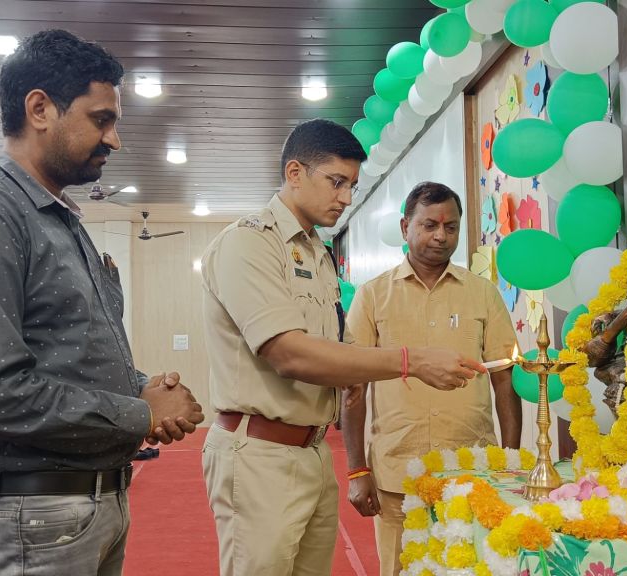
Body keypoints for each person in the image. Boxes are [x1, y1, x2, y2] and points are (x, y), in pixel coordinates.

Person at [0, 30, 204, 576]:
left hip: (81, 511)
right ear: (40, 109)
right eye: (101, 119)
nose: (115, 140)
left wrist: (140, 386)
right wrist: (141, 413)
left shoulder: (55, 218)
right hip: (24, 519)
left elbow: (69, 353)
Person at [200, 119, 486, 576]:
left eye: (352, 185)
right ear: (295, 173)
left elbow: (342, 350)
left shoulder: (317, 253)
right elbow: (289, 353)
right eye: (337, 182)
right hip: (259, 451)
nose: (347, 198)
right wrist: (411, 361)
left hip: (312, 450)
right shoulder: (249, 243)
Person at [342, 182, 521, 576]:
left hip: (473, 468)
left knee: (471, 567)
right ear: (405, 226)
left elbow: (504, 379)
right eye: (429, 225)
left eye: (451, 227)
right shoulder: (373, 296)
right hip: (397, 473)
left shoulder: (482, 293)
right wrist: (357, 470)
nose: (441, 236)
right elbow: (353, 386)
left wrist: (510, 462)